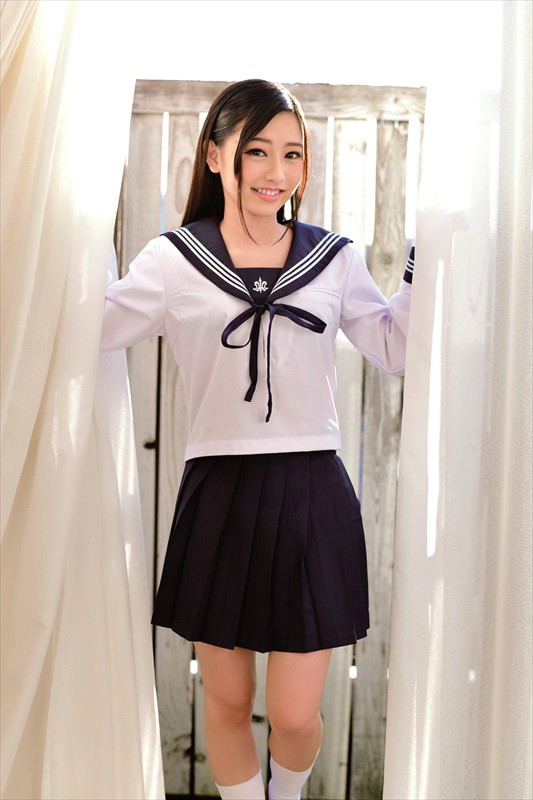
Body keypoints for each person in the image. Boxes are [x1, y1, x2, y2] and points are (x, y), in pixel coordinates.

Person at [100, 78, 415, 800]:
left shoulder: (332, 258)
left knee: (296, 715)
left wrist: (425, 262)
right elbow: (93, 324)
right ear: (216, 155)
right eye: (258, 151)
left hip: (311, 495)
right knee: (228, 701)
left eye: (292, 154)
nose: (276, 171)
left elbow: (393, 347)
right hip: (220, 493)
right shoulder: (173, 260)